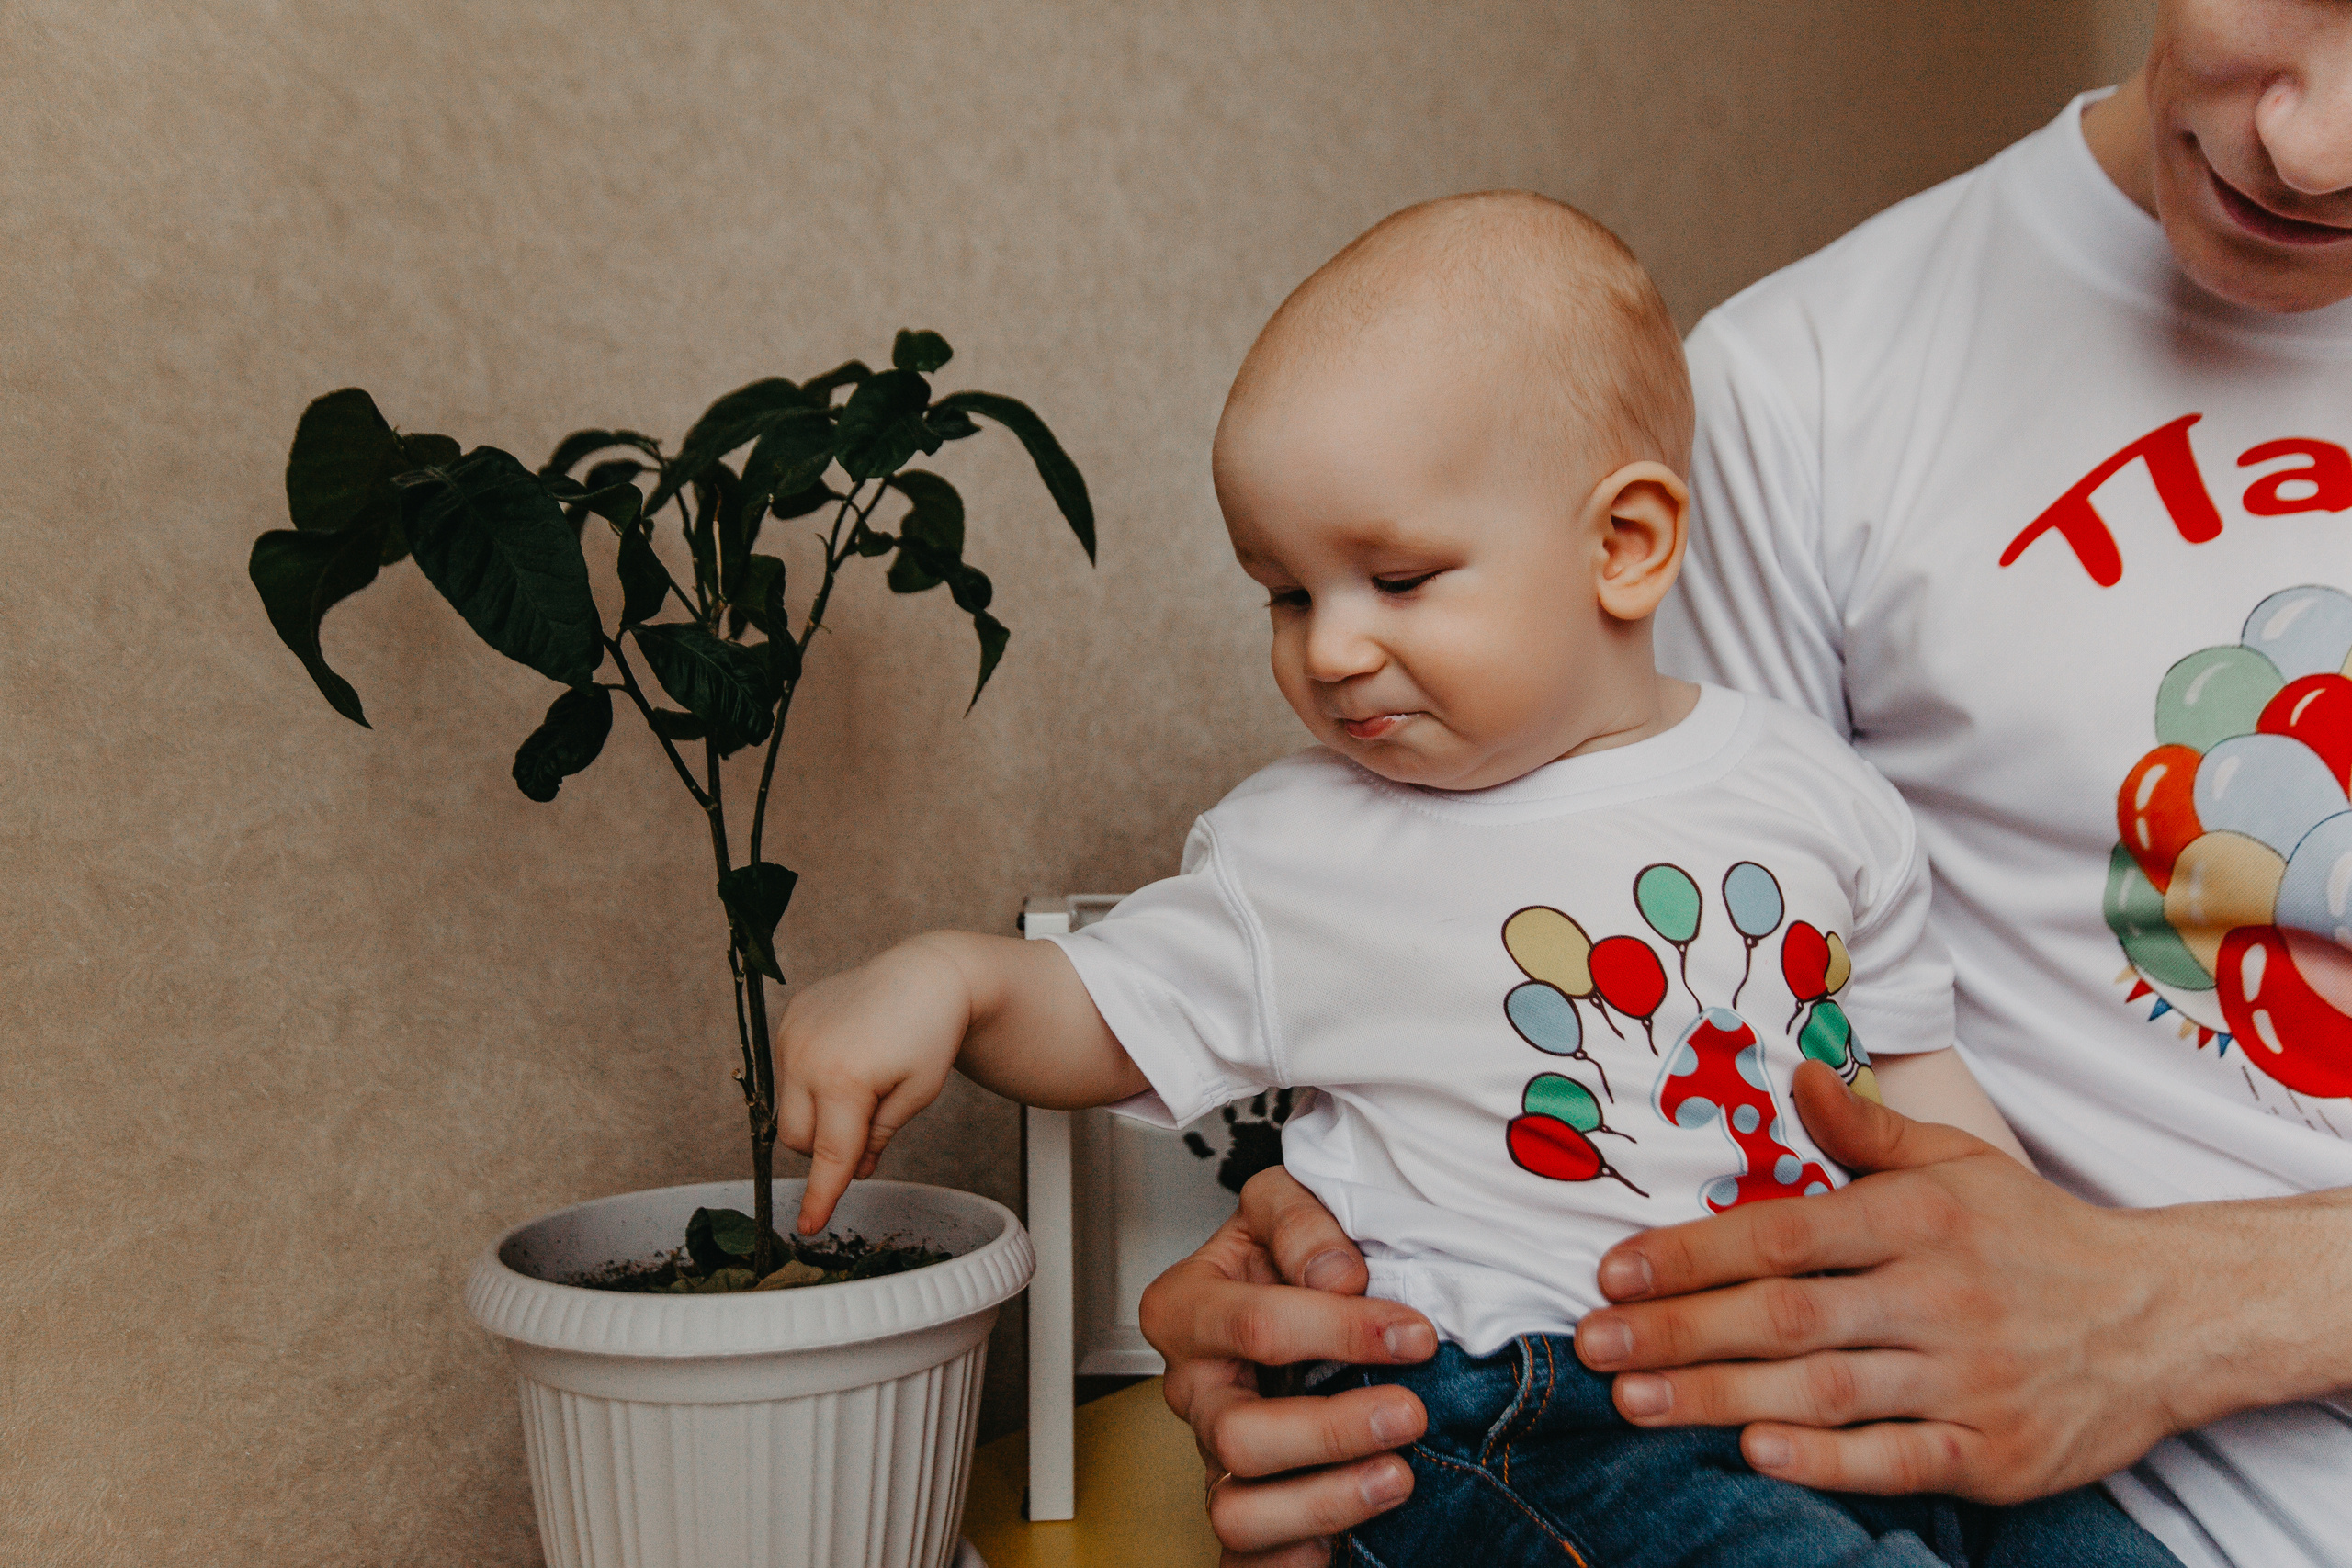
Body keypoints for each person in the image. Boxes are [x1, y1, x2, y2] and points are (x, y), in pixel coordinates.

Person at [775, 193, 2178, 1564]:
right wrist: (949, 981)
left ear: (1622, 546)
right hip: (1524, 1411)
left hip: (1845, 1366)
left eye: (1395, 578)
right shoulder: (1302, 848)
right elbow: (1097, 1012)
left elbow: (1917, 1085)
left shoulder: (1818, 792)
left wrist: (2025, 1277)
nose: (1327, 648)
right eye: (1286, 591)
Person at [1138, 6, 2352, 1567]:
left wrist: (2185, 1309)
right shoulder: (1810, 396)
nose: (2307, 144)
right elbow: (1624, 999)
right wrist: (1331, 1281)